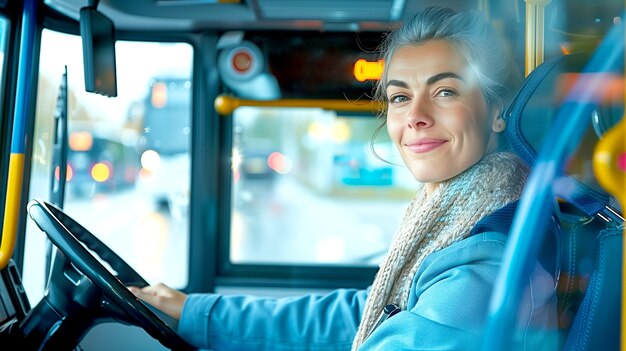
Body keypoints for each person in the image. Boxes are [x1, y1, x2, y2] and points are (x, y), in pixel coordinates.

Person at [130, 6, 558, 350]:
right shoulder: (465, 220)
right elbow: (371, 312)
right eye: (400, 97)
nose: (416, 118)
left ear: (498, 109)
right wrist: (197, 313)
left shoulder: (485, 265)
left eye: (445, 91)